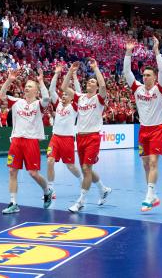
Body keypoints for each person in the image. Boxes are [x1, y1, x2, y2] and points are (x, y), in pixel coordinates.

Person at [0, 68, 54, 214]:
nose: (26, 88)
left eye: (30, 86)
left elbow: (47, 99)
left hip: (31, 141)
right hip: (16, 140)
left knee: (33, 173)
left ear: (36, 91)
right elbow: (1, 95)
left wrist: (41, 82)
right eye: (26, 86)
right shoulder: (17, 102)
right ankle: (13, 203)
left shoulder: (39, 105)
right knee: (12, 171)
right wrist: (9, 80)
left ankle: (47, 190)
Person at [123, 37, 162, 212]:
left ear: (155, 77)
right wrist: (128, 53)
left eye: (148, 75)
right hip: (143, 129)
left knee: (153, 161)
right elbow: (127, 72)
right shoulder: (137, 88)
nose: (145, 77)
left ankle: (149, 195)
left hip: (157, 128)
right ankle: (153, 194)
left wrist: (157, 52)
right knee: (145, 164)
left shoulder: (160, 89)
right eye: (144, 75)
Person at [62, 59, 112, 213]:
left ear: (96, 87)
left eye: (92, 82)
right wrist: (71, 71)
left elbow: (103, 85)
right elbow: (64, 87)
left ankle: (81, 201)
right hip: (80, 137)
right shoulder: (80, 97)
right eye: (89, 81)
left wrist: (96, 68)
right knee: (86, 171)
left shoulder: (99, 98)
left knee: (85, 167)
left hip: (93, 137)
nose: (89, 83)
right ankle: (103, 189)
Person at [46, 64, 82, 198]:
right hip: (55, 138)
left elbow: (79, 93)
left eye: (67, 94)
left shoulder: (75, 106)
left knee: (70, 166)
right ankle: (51, 190)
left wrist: (74, 76)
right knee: (50, 161)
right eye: (63, 94)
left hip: (67, 139)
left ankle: (81, 181)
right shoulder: (58, 104)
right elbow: (51, 90)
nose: (64, 96)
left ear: (72, 98)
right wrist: (56, 73)